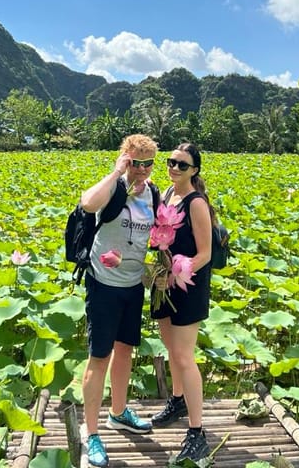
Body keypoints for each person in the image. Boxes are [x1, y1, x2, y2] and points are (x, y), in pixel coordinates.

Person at [79, 134, 159, 468]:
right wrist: (116, 174)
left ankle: (118, 412)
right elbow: (87, 203)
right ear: (124, 158)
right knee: (100, 357)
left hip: (132, 285)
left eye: (147, 163)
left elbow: (163, 230)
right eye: (134, 162)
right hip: (104, 283)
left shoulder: (154, 193)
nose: (140, 169)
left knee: (125, 350)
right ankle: (92, 433)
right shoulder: (114, 187)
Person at [150, 142, 213, 462]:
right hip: (163, 282)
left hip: (187, 284)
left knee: (184, 356)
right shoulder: (165, 194)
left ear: (195, 171)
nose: (174, 168)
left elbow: (205, 254)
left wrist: (177, 274)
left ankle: (197, 431)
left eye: (182, 165)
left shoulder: (196, 202)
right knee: (170, 348)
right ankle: (177, 400)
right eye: (171, 162)